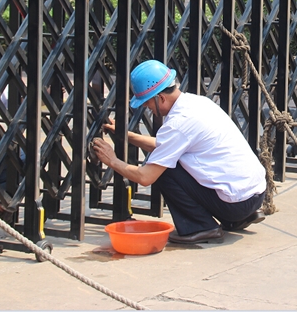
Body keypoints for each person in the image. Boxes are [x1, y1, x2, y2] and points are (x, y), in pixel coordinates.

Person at [92, 60, 267, 244]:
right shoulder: (197, 103)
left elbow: (146, 177)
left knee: (163, 170)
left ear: (160, 98)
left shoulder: (178, 123)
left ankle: (200, 227)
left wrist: (112, 160)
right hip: (255, 195)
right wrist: (126, 135)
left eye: (147, 103)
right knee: (165, 159)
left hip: (236, 204)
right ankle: (236, 220)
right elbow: (166, 146)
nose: (146, 108)